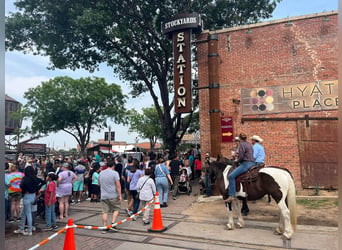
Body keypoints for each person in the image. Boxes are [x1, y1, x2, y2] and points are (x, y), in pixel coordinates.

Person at [14, 165, 44, 236]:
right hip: (33, 196)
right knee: (24, 213)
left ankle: (29, 230)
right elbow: (43, 182)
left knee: (27, 213)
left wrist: (25, 191)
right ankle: (22, 228)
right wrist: (36, 189)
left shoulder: (25, 178)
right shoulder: (35, 178)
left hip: (27, 196)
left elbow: (21, 185)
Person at [224, 133, 254, 203]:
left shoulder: (242, 145)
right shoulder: (249, 144)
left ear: (240, 139)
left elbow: (241, 156)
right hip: (252, 163)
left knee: (231, 176)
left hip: (245, 164)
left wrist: (237, 160)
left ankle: (231, 195)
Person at [98, 160, 121, 234]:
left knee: (105, 211)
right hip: (113, 195)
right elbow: (118, 185)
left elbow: (99, 183)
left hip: (104, 195)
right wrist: (120, 195)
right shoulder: (115, 173)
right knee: (116, 208)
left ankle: (104, 226)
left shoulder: (101, 173)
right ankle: (113, 223)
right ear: (113, 166)